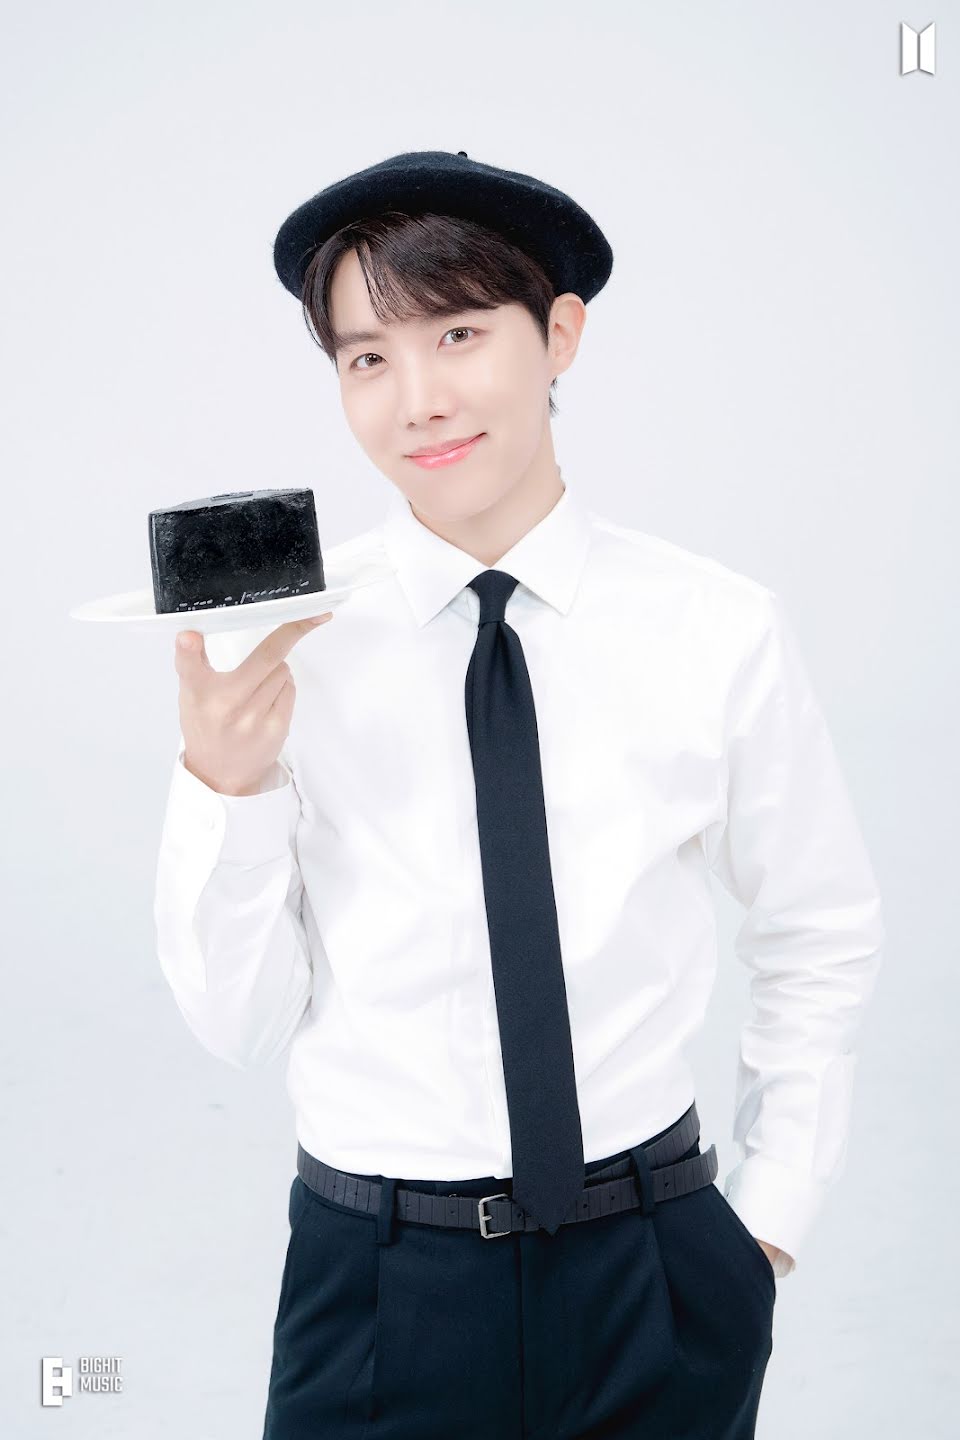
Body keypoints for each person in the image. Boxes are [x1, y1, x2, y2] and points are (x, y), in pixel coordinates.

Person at [153, 150, 885, 1438]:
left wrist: (764, 1226)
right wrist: (227, 783)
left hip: (653, 1264)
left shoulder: (714, 627)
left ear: (560, 336)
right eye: (368, 357)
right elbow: (240, 1025)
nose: (419, 399)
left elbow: (816, 928)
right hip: (378, 1279)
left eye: (458, 333)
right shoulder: (283, 649)